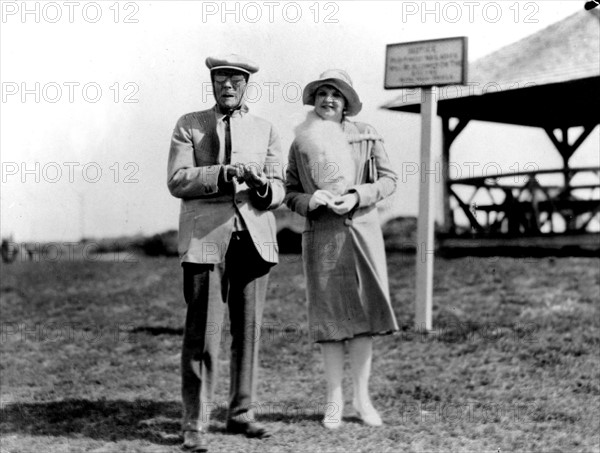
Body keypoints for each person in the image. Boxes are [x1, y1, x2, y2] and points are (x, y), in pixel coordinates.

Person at [167, 54, 285, 452]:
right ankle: (195, 423)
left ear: (247, 84)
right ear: (213, 84)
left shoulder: (266, 129)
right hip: (205, 241)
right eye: (221, 80)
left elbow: (280, 187)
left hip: (254, 238)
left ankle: (241, 414)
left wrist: (263, 184)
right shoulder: (190, 124)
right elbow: (177, 180)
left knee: (248, 331)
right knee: (203, 335)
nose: (228, 86)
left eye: (235, 80)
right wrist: (222, 173)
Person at [285, 69, 399, 429]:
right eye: (322, 94)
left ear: (347, 102)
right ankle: (334, 400)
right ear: (313, 100)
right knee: (331, 320)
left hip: (362, 233)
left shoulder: (365, 134)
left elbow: (389, 179)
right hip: (323, 238)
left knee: (363, 318)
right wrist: (310, 199)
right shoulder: (300, 140)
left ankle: (362, 400)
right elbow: (288, 191)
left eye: (336, 94)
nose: (328, 100)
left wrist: (357, 195)